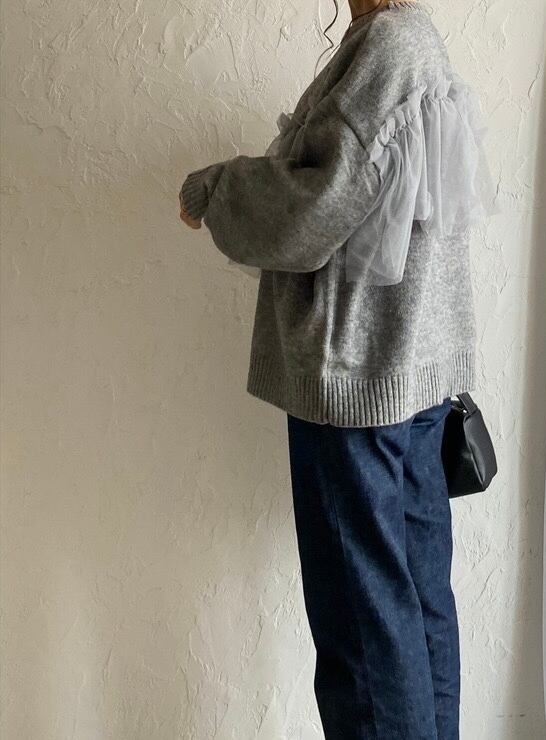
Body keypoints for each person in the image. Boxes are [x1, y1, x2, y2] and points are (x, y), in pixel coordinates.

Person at [178, 1, 494, 737]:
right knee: (415, 607)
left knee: (364, 631)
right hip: (408, 378)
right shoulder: (413, 41)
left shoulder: (387, 45)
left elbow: (320, 202)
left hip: (356, 384)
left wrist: (217, 190)